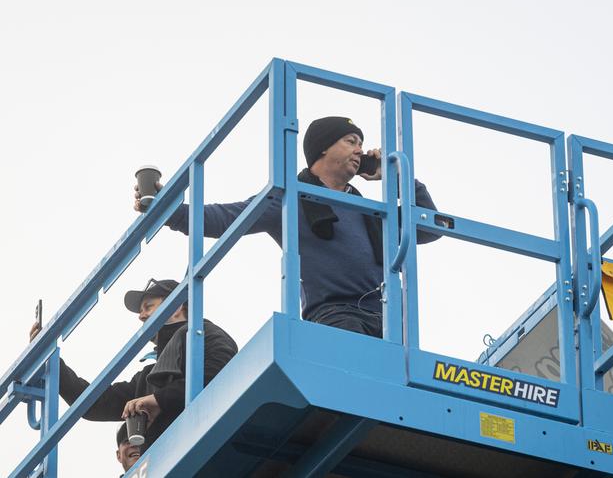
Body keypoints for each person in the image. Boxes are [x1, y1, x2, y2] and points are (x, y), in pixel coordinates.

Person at [135, 116, 439, 338]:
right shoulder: (290, 199)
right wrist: (168, 209)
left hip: (388, 318)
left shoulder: (373, 211)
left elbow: (428, 227)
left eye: (361, 143)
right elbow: (224, 219)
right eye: (351, 141)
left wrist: (400, 177)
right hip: (335, 316)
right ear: (322, 149)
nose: (361, 150)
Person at [29, 278, 238, 453]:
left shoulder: (206, 334)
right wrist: (51, 360)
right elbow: (95, 404)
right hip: (166, 457)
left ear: (176, 307)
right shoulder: (149, 376)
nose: (141, 316)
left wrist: (158, 400)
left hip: (211, 442)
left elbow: (219, 375)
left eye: (148, 307)